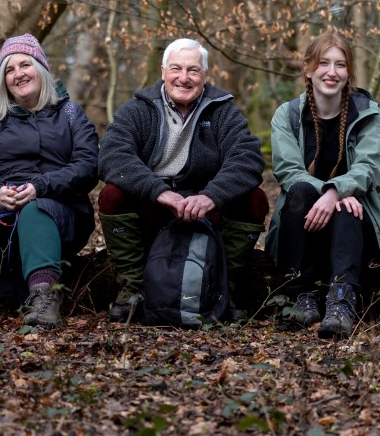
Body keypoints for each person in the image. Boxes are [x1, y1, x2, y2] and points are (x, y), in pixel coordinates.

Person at [98, 38, 269, 323]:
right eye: (176, 68)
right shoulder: (138, 109)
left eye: (193, 70)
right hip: (154, 208)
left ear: (204, 76)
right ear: (163, 71)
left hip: (205, 212)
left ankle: (223, 285)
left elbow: (247, 159)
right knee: (112, 193)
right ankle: (134, 286)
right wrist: (159, 192)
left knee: (255, 198)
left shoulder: (223, 110)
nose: (184, 77)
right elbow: (112, 155)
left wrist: (211, 196)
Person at [0, 34, 99, 328]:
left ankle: (44, 300)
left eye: (24, 65)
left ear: (41, 67)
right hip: (1, 209)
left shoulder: (70, 114)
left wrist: (40, 187)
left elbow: (88, 166)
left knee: (36, 210)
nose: (18, 74)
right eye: (9, 70)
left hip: (57, 211)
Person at [266, 33, 380, 338]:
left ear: (349, 71)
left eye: (340, 65)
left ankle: (342, 300)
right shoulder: (286, 115)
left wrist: (336, 192)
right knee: (299, 191)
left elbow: (370, 167)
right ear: (308, 69)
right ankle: (304, 294)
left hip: (354, 223)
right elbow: (288, 170)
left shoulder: (366, 111)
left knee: (347, 208)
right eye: (323, 63)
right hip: (302, 222)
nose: (332, 71)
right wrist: (330, 192)